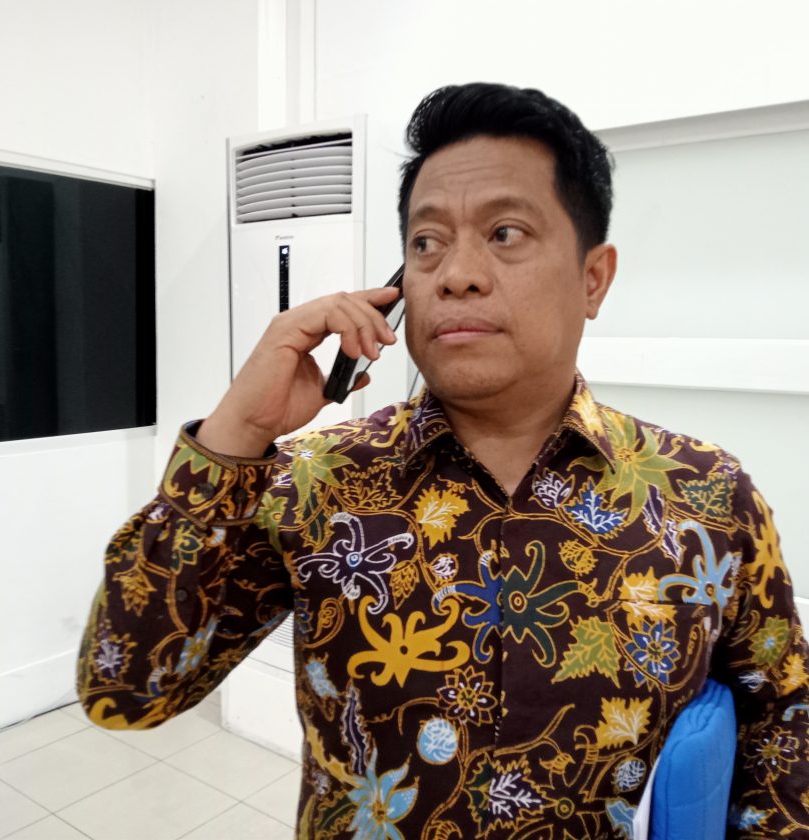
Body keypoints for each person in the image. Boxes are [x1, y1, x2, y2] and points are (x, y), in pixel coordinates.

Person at [77, 83, 809, 838]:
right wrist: (239, 430)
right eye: (426, 243)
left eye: (505, 233)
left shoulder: (706, 496)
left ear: (593, 279)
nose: (456, 273)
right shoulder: (315, 483)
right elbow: (123, 687)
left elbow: (784, 733)